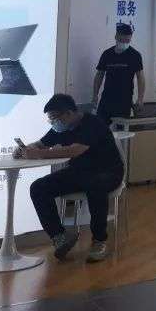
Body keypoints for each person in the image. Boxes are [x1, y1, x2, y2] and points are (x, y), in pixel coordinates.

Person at [19, 94, 124, 263]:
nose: (53, 123)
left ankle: (99, 240)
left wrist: (39, 154)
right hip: (79, 171)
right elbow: (41, 144)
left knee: (95, 186)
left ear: (68, 113)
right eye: (51, 119)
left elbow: (74, 150)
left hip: (108, 172)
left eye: (55, 118)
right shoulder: (60, 128)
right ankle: (60, 236)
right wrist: (25, 149)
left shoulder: (92, 123)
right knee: (38, 188)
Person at [93, 22, 145, 124]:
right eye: (122, 40)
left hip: (124, 101)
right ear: (116, 36)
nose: (124, 43)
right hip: (106, 99)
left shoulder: (134, 55)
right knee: (99, 127)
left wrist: (140, 98)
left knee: (122, 129)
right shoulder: (107, 54)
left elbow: (141, 78)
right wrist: (95, 95)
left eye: (127, 40)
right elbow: (99, 75)